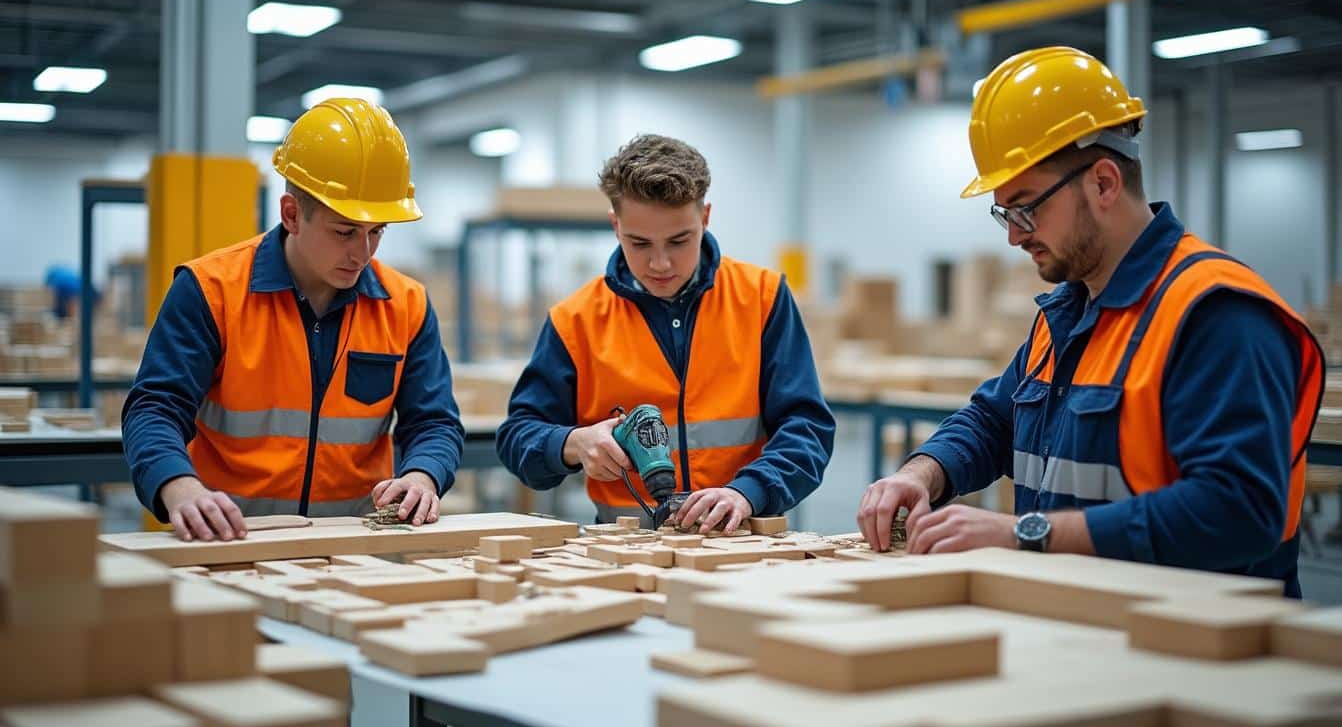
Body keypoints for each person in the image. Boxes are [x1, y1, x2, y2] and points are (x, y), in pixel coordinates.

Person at [855, 47, 1323, 597]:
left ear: (1102, 183)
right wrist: (920, 474)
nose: (1014, 235)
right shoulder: (1069, 311)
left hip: (1197, 649)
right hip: (1091, 630)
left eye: (1027, 208)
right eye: (1004, 213)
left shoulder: (1216, 312)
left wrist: (1025, 534)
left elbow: (1239, 509)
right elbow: (994, 421)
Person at [123, 98, 465, 541]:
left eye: (377, 231)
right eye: (344, 232)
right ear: (291, 215)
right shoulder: (212, 291)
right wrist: (178, 486)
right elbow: (155, 408)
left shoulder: (406, 304)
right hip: (228, 544)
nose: (363, 253)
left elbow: (434, 422)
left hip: (354, 550)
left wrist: (423, 475)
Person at [497, 134, 835, 531]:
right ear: (615, 225)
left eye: (679, 240)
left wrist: (748, 492)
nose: (660, 263)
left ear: (705, 217)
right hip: (625, 554)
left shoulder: (762, 299)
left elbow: (807, 428)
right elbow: (518, 436)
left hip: (744, 543)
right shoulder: (576, 320)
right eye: (639, 243)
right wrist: (572, 445)